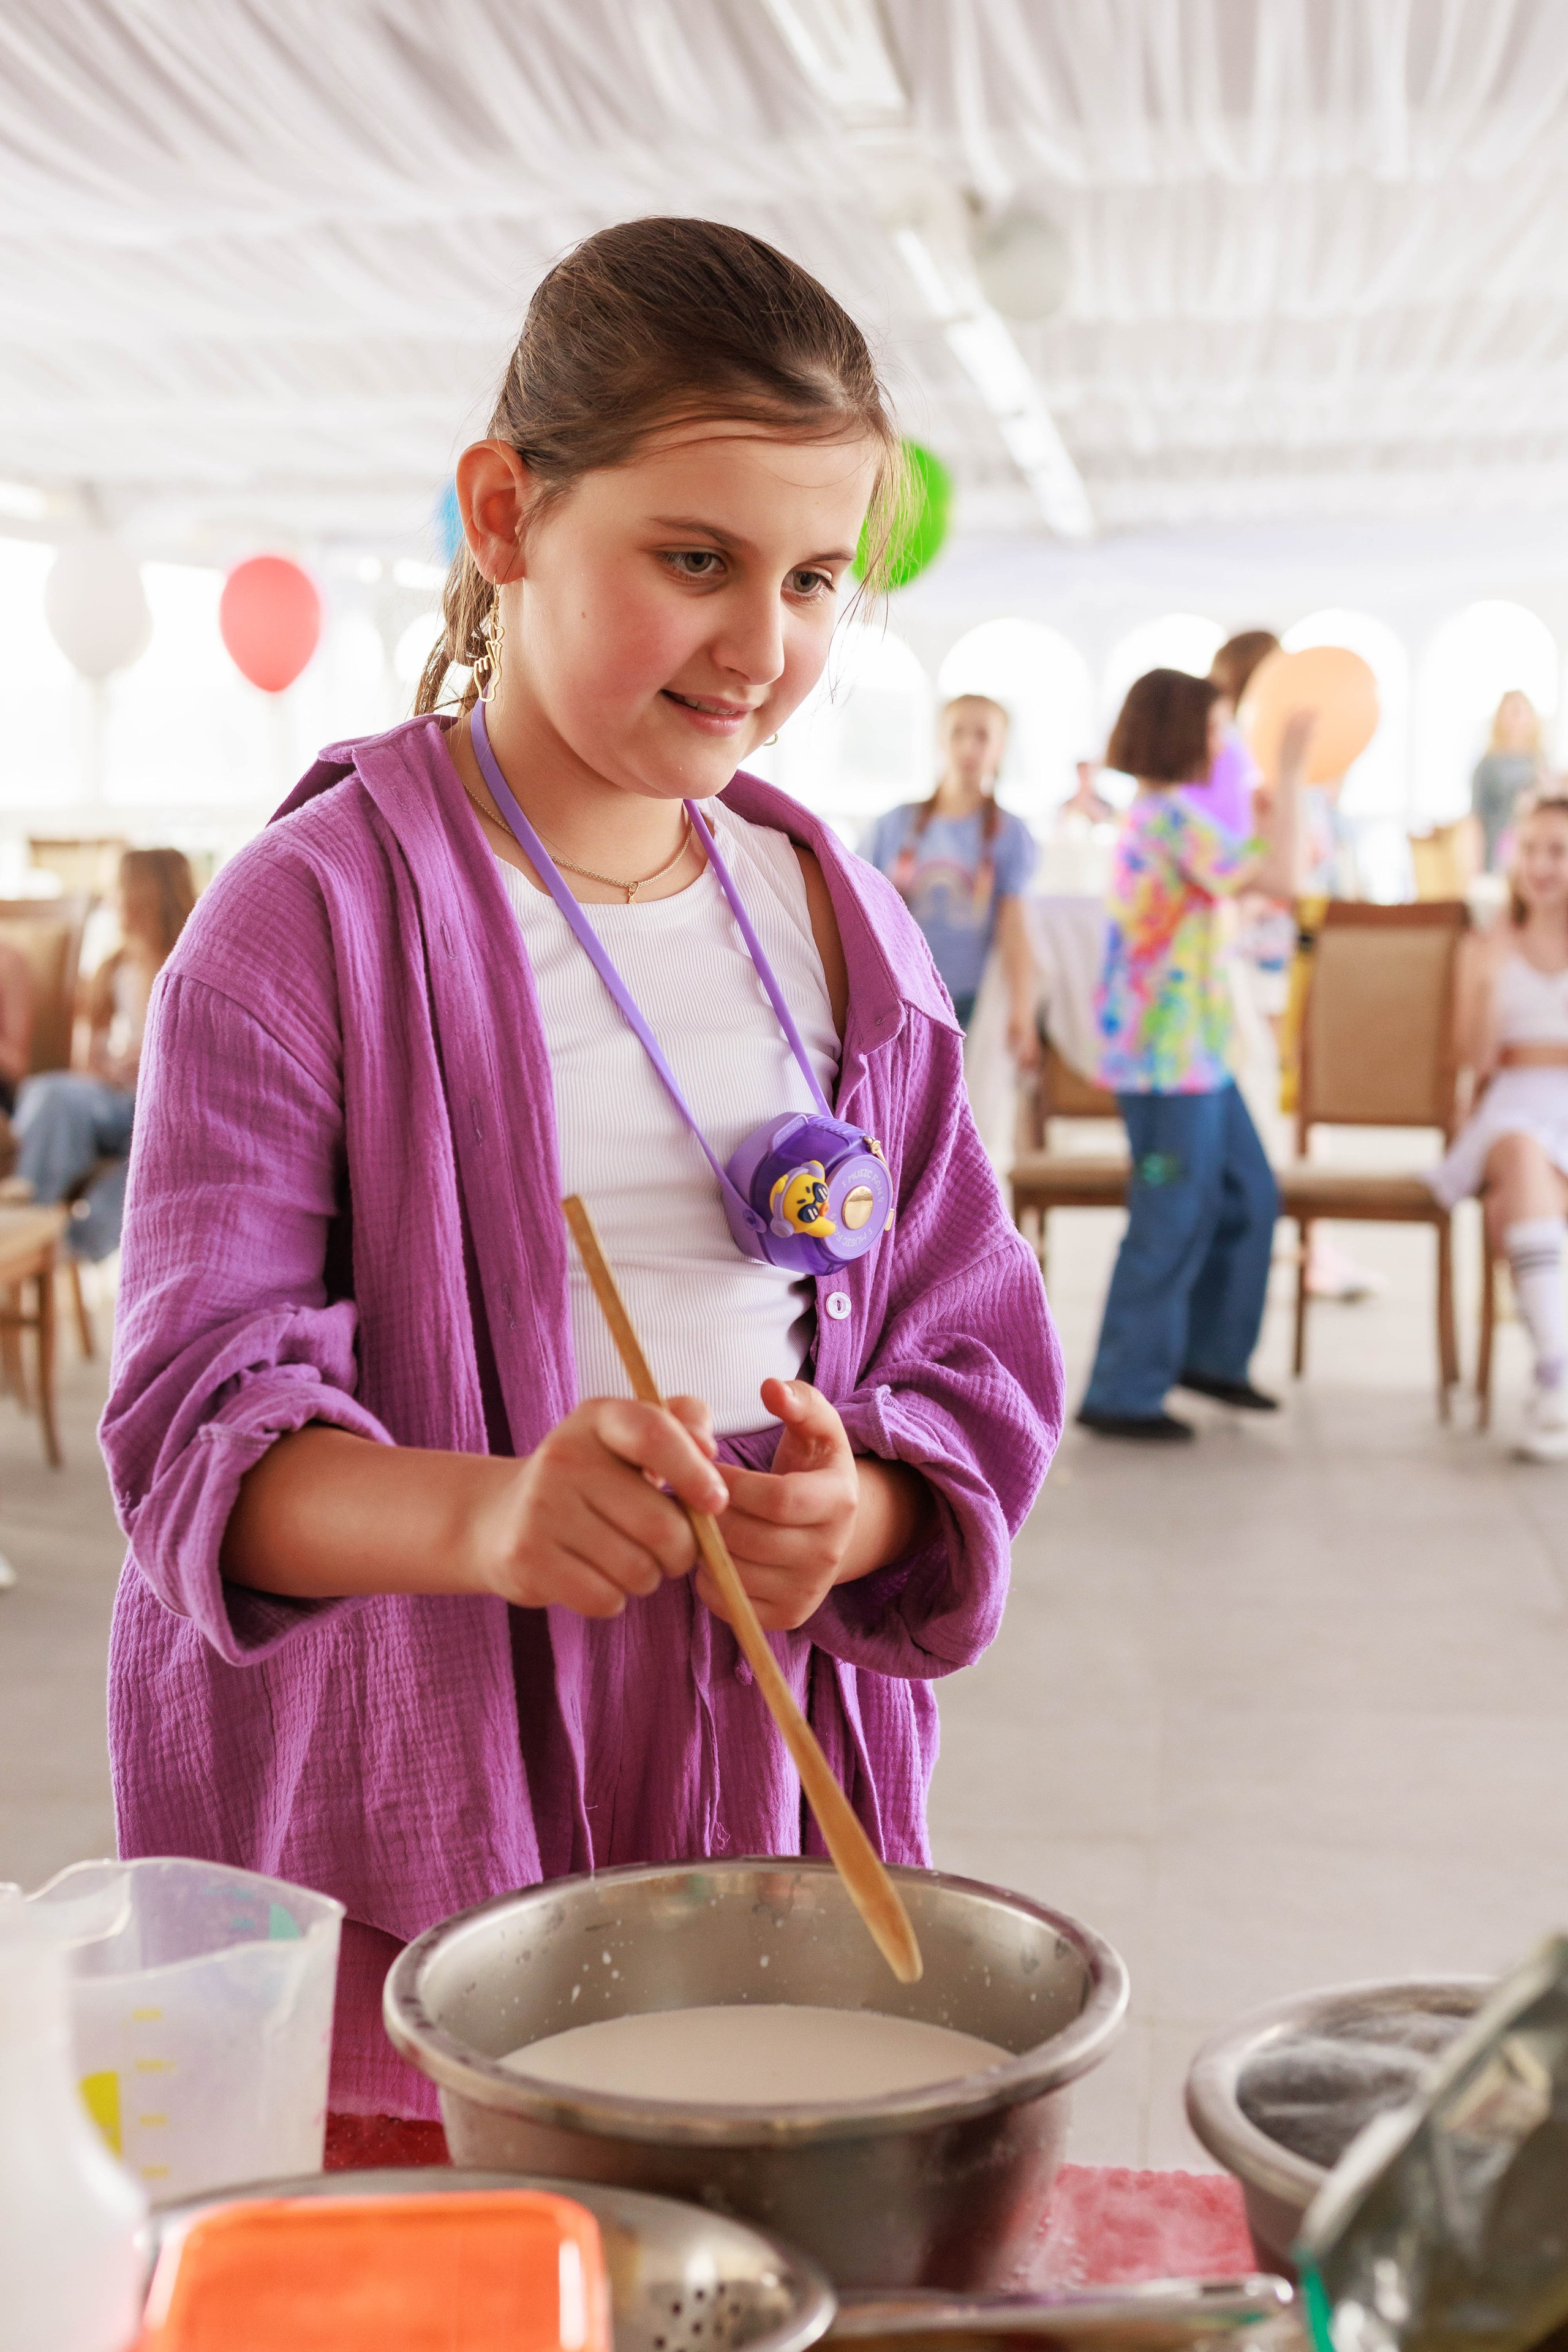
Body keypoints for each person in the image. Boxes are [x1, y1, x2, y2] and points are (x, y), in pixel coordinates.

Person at [100, 217, 1061, 2124]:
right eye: (692, 560)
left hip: (752, 1763)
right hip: (426, 1778)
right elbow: (198, 1430)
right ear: (505, 512)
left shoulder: (835, 924)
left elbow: (965, 1342)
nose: (761, 646)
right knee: (450, 2247)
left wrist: (851, 1509)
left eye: (807, 577)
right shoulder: (308, 925)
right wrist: (486, 1518)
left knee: (727, 2224)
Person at [1078, 669, 1308, 1441]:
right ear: (1180, 734)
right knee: (1169, 1214)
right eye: (1213, 729)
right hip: (1165, 1065)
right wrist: (1296, 766)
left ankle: (1209, 1355)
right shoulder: (1167, 818)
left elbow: (1269, 870)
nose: (1224, 745)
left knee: (1246, 1194)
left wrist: (1276, 809)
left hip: (1197, 1056)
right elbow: (1279, 877)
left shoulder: (1175, 819)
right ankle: (1121, 1389)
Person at [1430, 793, 1568, 1460]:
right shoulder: (1486, 946)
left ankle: (1553, 1377)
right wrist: (1486, 984)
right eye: (1532, 849)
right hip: (1512, 1102)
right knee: (1518, 1151)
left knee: (1528, 1195)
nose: (1542, 866)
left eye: (1559, 852)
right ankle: (1556, 1370)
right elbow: (1474, 1059)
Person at [3, 850, 195, 1256]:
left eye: (120, 890)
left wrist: (151, 1062)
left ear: (148, 895)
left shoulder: (191, 966)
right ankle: (28, 1217)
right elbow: (85, 1063)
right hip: (112, 1101)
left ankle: (70, 1241)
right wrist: (109, 1067)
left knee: (162, 1151)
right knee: (51, 1092)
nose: (112, 901)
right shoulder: (111, 970)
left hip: (167, 1104)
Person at [862, 695, 1039, 1061]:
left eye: (982, 736)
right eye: (957, 733)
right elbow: (861, 911)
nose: (968, 746)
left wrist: (1023, 1010)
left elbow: (1014, 926)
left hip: (971, 1002)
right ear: (939, 739)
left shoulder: (1010, 833)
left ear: (1001, 748)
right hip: (901, 999)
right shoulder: (894, 825)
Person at [1471, 692, 1545, 874]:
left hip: (1533, 853)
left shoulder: (1540, 762)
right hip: (1499, 854)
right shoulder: (1488, 765)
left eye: (1522, 712)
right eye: (1512, 712)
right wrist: (1474, 871)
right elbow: (1476, 820)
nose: (1517, 719)